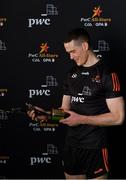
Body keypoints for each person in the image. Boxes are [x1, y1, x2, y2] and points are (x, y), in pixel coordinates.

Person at [27, 28, 125, 179]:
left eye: (73, 51)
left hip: (95, 148)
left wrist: (81, 119)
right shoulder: (71, 74)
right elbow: (64, 111)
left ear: (85, 46)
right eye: (68, 53)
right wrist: (46, 115)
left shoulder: (107, 74)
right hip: (72, 145)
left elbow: (118, 117)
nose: (71, 57)